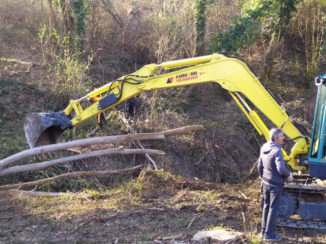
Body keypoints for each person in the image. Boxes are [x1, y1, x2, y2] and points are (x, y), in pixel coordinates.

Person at [257, 128, 293, 242]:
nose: (283, 138)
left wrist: (263, 177)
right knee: (273, 208)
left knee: (266, 206)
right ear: (276, 138)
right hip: (275, 184)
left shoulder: (264, 147)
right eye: (282, 136)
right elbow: (281, 168)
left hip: (266, 182)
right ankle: (269, 235)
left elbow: (259, 165)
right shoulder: (277, 150)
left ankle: (263, 232)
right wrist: (288, 175)